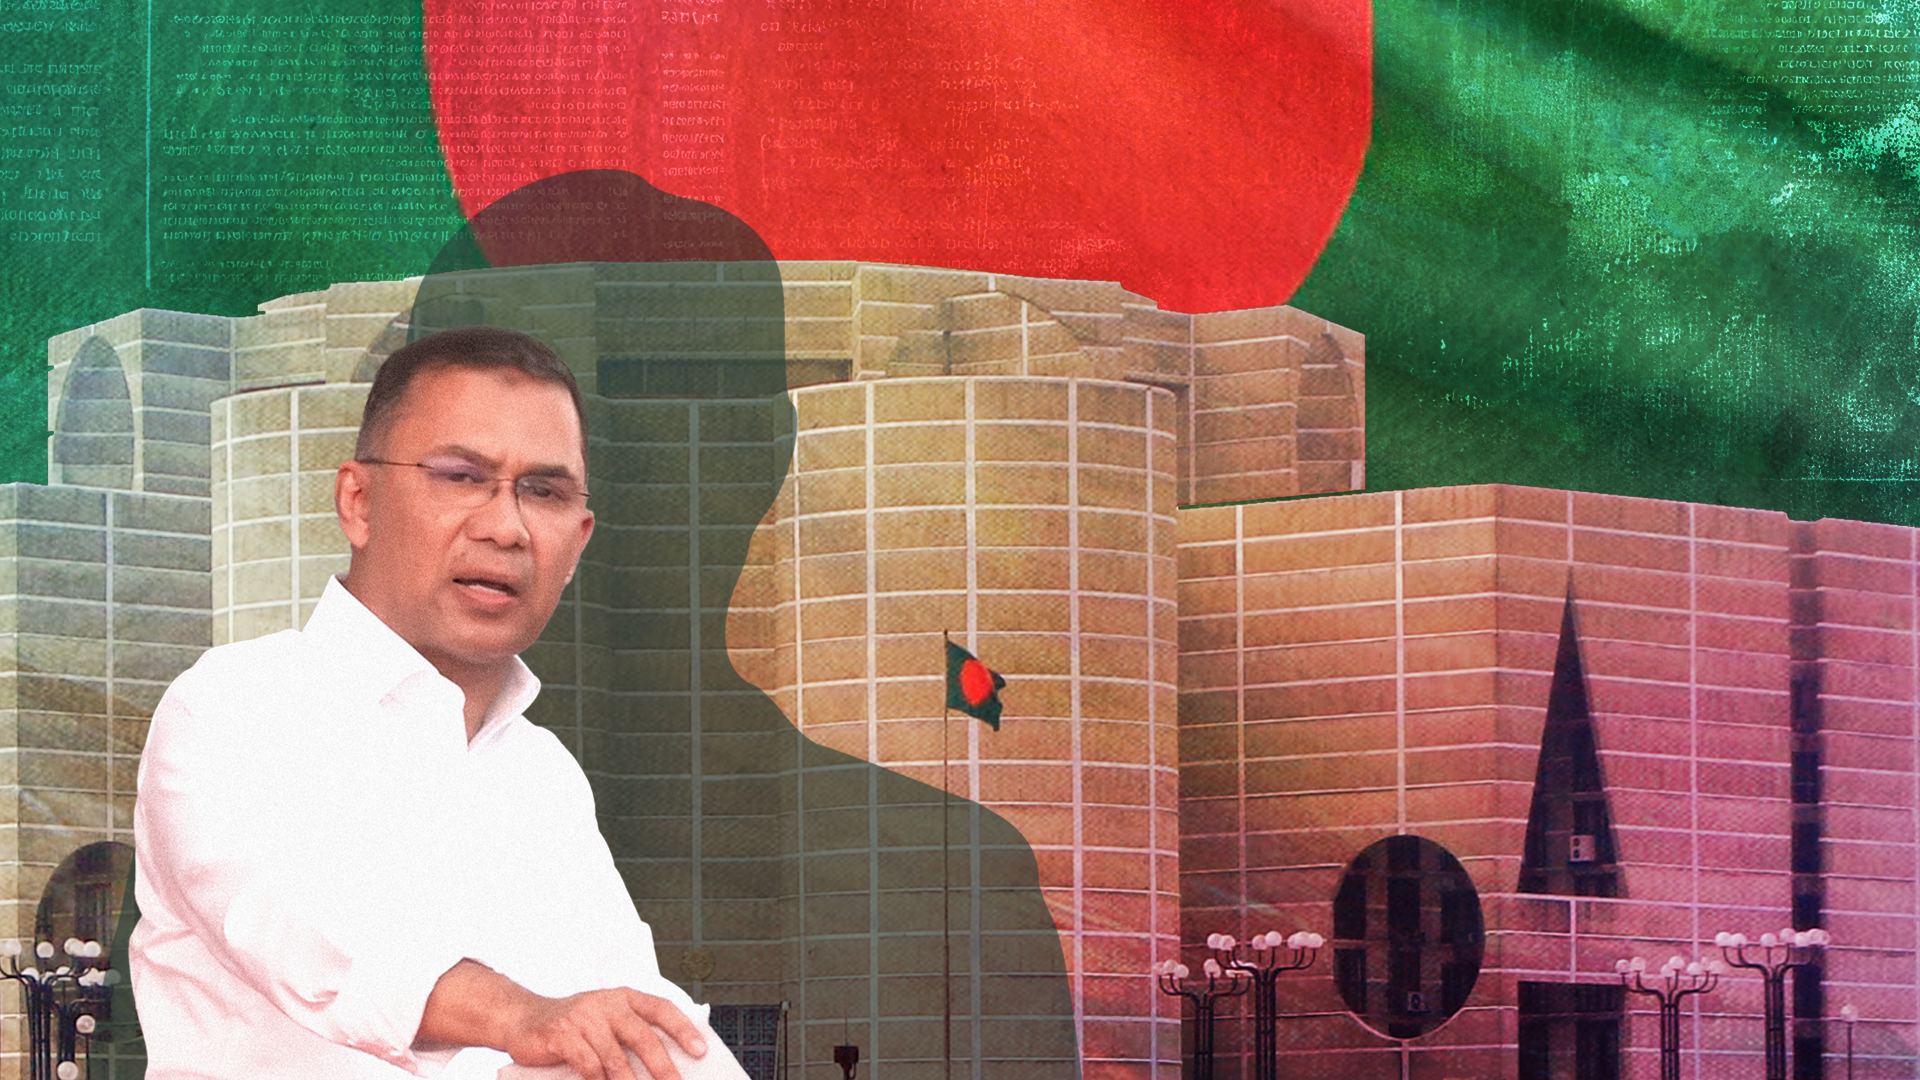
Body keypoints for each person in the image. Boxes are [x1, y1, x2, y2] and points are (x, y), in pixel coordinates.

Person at [131, 326, 745, 1080]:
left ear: (579, 540)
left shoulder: (544, 779)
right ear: (358, 501)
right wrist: (524, 1017)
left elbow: (639, 1023)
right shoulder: (237, 709)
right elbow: (312, 943)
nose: (505, 528)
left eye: (544, 492)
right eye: (460, 476)